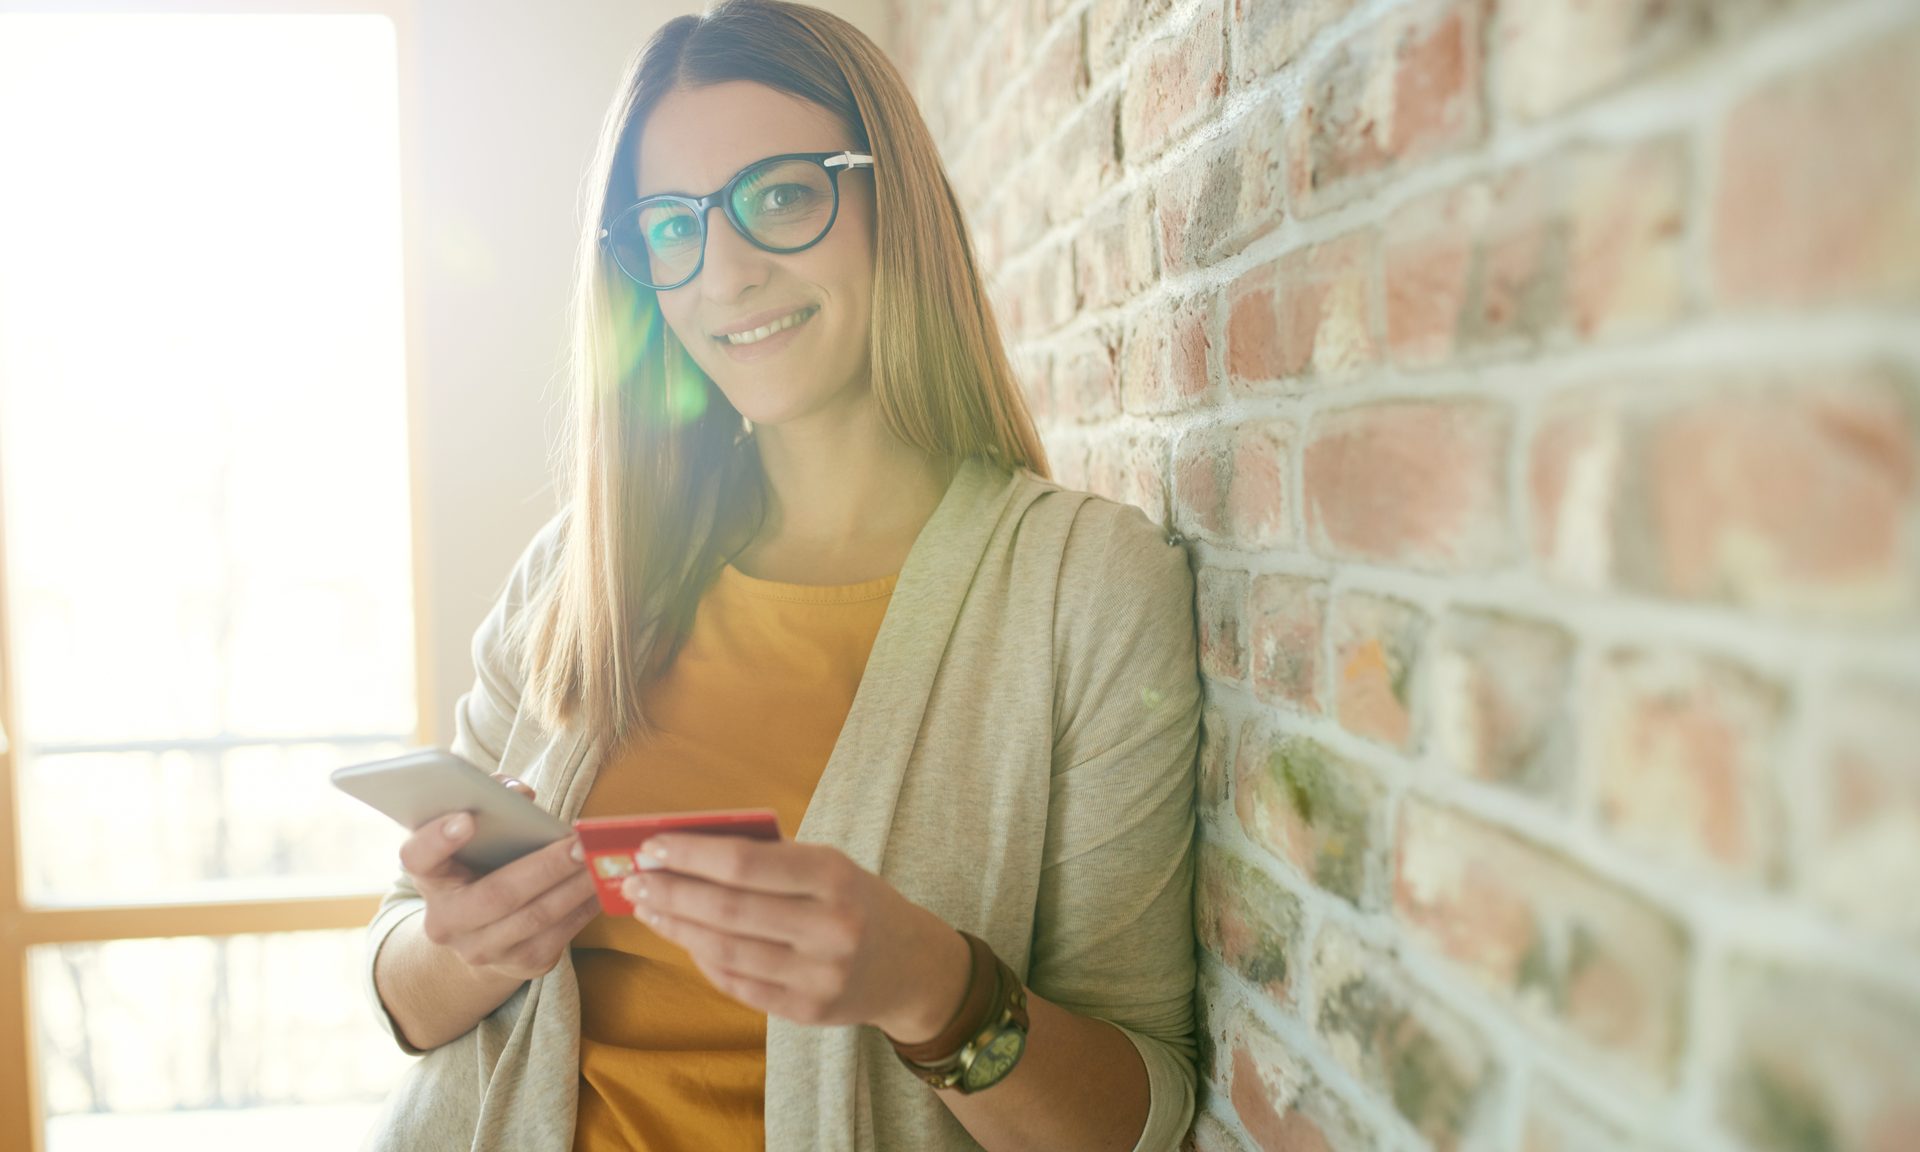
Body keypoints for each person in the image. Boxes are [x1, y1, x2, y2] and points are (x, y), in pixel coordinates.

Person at [358, 2, 1202, 1149]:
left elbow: (1133, 1119)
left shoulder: (1087, 590)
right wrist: (462, 946)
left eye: (783, 196)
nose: (727, 275)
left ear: (890, 202)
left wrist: (933, 988)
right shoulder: (580, 575)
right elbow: (404, 980)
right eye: (671, 227)